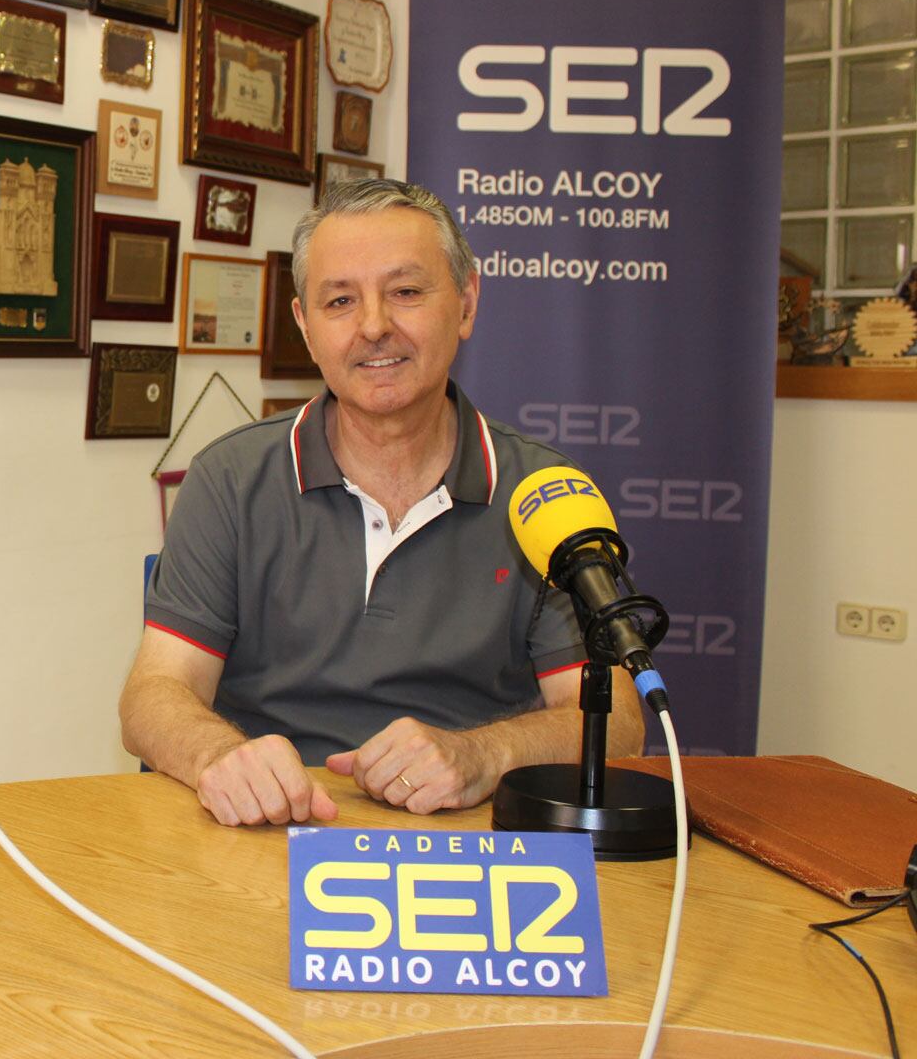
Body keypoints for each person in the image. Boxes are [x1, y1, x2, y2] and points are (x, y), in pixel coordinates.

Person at [118, 179, 642, 827]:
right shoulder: (230, 479)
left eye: (406, 292)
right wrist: (221, 757)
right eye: (340, 301)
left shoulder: (545, 495)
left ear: (467, 302)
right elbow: (152, 696)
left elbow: (617, 719)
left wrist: (485, 753)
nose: (373, 326)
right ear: (306, 327)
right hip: (265, 832)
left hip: (467, 844)